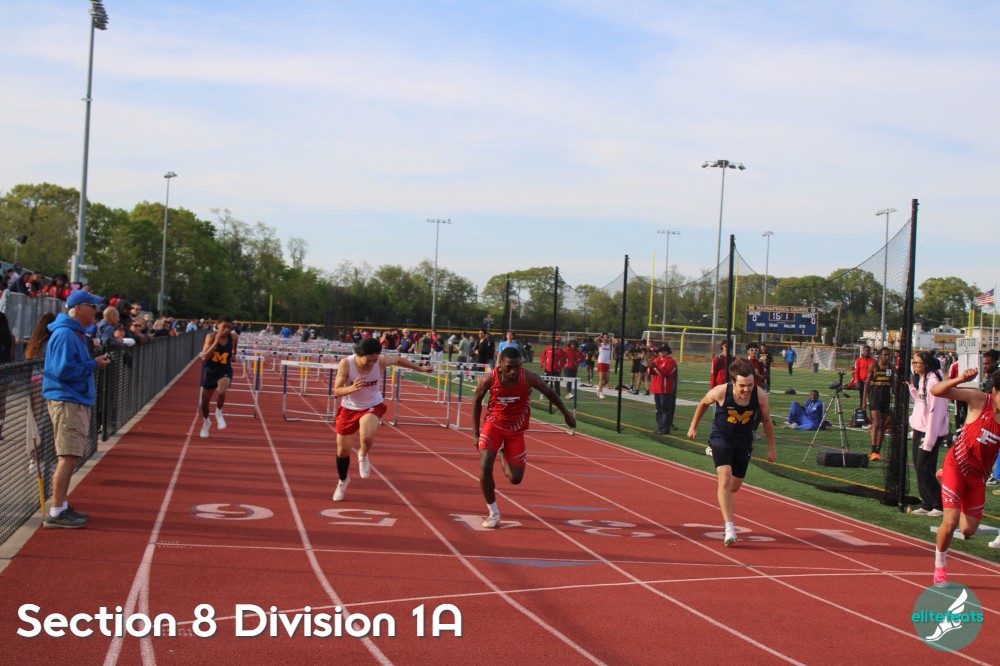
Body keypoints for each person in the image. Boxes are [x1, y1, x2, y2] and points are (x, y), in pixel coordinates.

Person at [472, 347, 576, 528]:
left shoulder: (529, 378)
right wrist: (475, 434)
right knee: (485, 465)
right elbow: (476, 400)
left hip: (515, 431)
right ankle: (493, 513)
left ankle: (503, 451)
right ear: (500, 364)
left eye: (517, 366)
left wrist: (566, 415)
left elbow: (550, 393)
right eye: (509, 367)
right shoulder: (490, 378)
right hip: (493, 425)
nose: (513, 371)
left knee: (515, 478)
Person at [41, 290, 113, 528]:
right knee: (67, 456)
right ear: (79, 308)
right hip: (67, 400)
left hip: (73, 399)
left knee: (70, 456)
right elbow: (63, 370)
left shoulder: (74, 333)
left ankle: (61, 505)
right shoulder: (66, 334)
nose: (96, 311)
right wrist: (93, 364)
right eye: (92, 306)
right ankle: (56, 511)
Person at [687, 357, 777, 546]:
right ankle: (730, 529)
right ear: (733, 382)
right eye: (742, 385)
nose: (747, 390)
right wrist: (693, 426)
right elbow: (703, 403)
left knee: (734, 486)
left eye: (750, 385)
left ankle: (717, 455)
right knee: (725, 479)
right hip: (721, 437)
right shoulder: (721, 391)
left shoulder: (760, 395)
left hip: (743, 441)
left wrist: (772, 448)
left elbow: (767, 421)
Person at [331, 338, 432, 501]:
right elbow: (336, 390)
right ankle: (342, 481)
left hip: (372, 405)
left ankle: (363, 454)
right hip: (349, 408)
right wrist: (352, 388)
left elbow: (398, 360)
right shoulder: (346, 363)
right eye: (368, 360)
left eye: (374, 360)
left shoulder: (381, 361)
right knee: (343, 452)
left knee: (366, 435)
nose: (371, 364)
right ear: (359, 354)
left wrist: (420, 368)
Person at [927, 365, 1000, 584]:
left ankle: (948, 481)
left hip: (978, 477)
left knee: (968, 530)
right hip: (957, 466)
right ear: (995, 391)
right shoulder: (979, 400)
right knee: (950, 523)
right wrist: (959, 379)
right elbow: (936, 391)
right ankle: (940, 564)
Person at [907, 351, 948, 517]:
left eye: (917, 363)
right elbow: (921, 401)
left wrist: (930, 440)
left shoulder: (934, 382)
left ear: (926, 364)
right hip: (920, 429)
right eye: (913, 362)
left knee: (925, 468)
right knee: (919, 467)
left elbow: (935, 412)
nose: (914, 366)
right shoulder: (923, 379)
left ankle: (939, 503)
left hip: (930, 432)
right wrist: (911, 387)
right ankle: (926, 502)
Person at [198, 316, 239, 438]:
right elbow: (204, 357)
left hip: (225, 370)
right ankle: (206, 422)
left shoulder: (234, 337)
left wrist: (233, 356)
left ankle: (219, 413)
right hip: (211, 372)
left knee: (221, 391)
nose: (226, 330)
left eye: (229, 327)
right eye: (224, 327)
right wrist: (216, 342)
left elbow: (234, 349)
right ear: (217, 325)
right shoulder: (210, 337)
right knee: (204, 403)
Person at [861, 347, 893, 461]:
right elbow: (867, 384)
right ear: (880, 355)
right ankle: (873, 449)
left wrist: (897, 397)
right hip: (874, 397)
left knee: (883, 424)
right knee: (877, 422)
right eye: (885, 355)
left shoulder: (891, 368)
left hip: (886, 398)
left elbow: (893, 383)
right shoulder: (874, 366)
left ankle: (877, 451)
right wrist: (864, 401)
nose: (887, 357)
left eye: (888, 355)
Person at [648, 344, 678, 434]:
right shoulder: (657, 360)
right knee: (658, 409)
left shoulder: (671, 361)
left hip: (665, 389)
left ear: (667, 351)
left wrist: (655, 367)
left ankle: (665, 428)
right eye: (660, 351)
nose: (661, 352)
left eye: (663, 350)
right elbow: (651, 372)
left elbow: (665, 372)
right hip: (657, 388)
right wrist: (650, 366)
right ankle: (660, 427)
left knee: (665, 409)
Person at [595, 333, 613, 399]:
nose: (605, 338)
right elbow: (595, 340)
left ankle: (598, 387)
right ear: (602, 338)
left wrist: (611, 337)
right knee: (602, 378)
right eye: (604, 337)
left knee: (607, 380)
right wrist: (600, 336)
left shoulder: (609, 345)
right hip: (601, 363)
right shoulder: (600, 345)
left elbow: (616, 342)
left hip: (607, 363)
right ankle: (600, 393)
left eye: (606, 337)